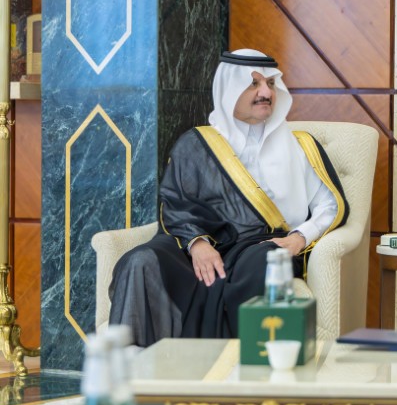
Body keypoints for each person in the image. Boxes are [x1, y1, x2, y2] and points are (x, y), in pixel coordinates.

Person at [108, 49, 348, 348]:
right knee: (140, 261)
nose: (265, 93)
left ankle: (235, 366)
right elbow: (177, 205)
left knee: (266, 262)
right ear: (229, 89)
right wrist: (197, 244)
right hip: (198, 242)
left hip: (259, 245)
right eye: (253, 84)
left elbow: (329, 205)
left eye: (271, 84)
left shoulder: (301, 147)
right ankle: (134, 367)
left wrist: (300, 238)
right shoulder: (196, 144)